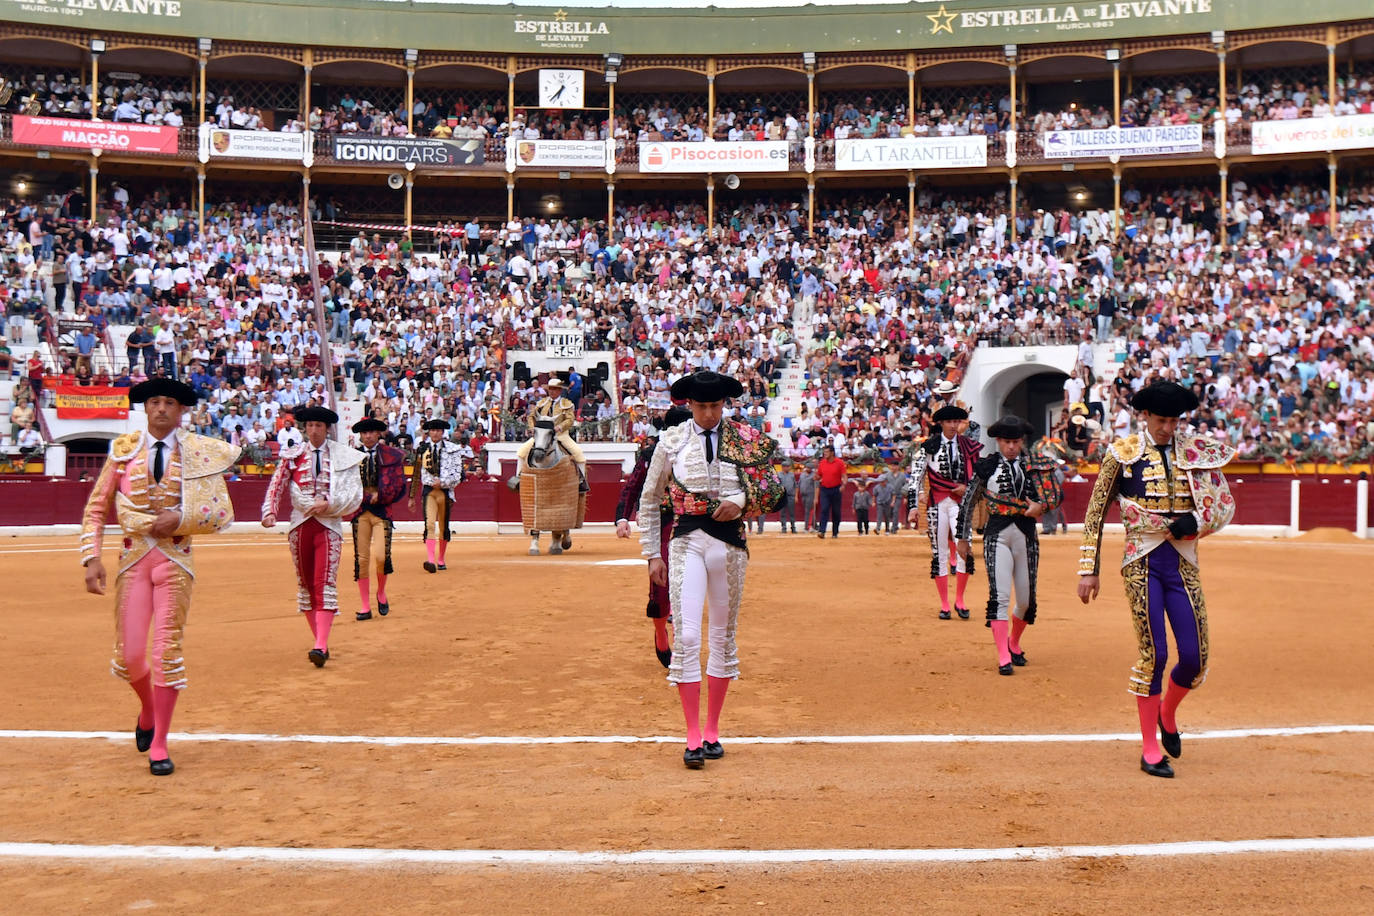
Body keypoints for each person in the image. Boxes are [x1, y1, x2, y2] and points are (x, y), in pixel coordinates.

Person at [80, 378, 240, 776]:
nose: (162, 408)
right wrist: (91, 558)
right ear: (146, 408)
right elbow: (97, 508)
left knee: (166, 653)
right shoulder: (123, 451)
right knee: (130, 656)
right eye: (155, 402)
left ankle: (161, 743)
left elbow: (222, 513)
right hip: (133, 559)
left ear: (182, 410)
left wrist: (182, 518)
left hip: (175, 561)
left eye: (170, 402)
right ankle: (148, 711)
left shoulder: (199, 452)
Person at [1077, 381, 1236, 779]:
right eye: (1161, 419)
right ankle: (1150, 748)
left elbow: (1221, 505)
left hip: (1182, 563)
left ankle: (1168, 713)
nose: (1168, 427)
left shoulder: (1195, 452)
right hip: (1141, 561)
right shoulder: (1122, 454)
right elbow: (1096, 511)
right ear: (1144, 416)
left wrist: (1196, 522)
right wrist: (1088, 568)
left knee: (1196, 658)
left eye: (1174, 420)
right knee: (1155, 655)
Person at [638, 371, 782, 769]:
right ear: (688, 405)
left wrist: (739, 500)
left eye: (715, 406)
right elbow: (650, 501)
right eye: (701, 406)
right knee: (685, 634)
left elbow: (773, 492)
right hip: (685, 541)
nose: (708, 413)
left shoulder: (745, 438)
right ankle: (692, 735)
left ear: (725, 405)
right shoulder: (671, 441)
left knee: (722, 637)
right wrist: (653, 553)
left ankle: (713, 730)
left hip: (730, 544)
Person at [956, 416, 1062, 675]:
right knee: (1000, 596)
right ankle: (1003, 655)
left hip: (1026, 535)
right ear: (998, 441)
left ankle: (1013, 641)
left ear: (1021, 441)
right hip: (997, 535)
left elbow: (1052, 496)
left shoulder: (1035, 467)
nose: (1011, 447)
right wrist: (962, 538)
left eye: (1015, 442)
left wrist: (1042, 506)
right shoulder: (987, 466)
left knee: (1025, 600)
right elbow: (969, 502)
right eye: (1006, 442)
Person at [261, 406, 365, 667]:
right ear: (304, 428)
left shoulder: (343, 456)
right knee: (306, 584)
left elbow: (354, 493)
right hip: (300, 525)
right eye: (310, 426)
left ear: (327, 428)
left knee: (324, 582)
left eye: (319, 426)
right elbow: (277, 483)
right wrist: (270, 511)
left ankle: (320, 644)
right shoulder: (293, 454)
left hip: (329, 526)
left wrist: (327, 504)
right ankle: (321, 641)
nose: (314, 430)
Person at [615, 405, 692, 667]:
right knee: (661, 585)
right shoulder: (651, 454)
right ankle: (661, 633)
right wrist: (622, 517)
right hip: (661, 524)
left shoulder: (699, 454)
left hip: (692, 524)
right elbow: (633, 487)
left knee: (689, 584)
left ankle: (681, 643)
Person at [906, 404, 983, 619]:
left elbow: (978, 478)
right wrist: (914, 506)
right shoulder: (928, 447)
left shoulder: (968, 446)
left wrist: (967, 489)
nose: (953, 425)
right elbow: (915, 479)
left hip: (961, 504)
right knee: (939, 553)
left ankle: (960, 599)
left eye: (956, 422)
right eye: (949, 422)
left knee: (964, 549)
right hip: (937, 504)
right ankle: (944, 604)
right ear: (941, 424)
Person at [349, 417, 408, 621]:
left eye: (371, 432)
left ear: (378, 434)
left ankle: (381, 592)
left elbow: (399, 483)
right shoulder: (352, 456)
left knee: (382, 556)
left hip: (383, 512)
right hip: (360, 512)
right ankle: (365, 606)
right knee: (362, 559)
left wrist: (381, 496)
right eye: (364, 433)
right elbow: (346, 485)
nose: (367, 436)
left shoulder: (391, 455)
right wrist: (366, 497)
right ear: (360, 435)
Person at [408, 418, 464, 573]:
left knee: (443, 526)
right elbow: (416, 474)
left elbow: (458, 475)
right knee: (430, 524)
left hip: (445, 493)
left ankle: (441, 559)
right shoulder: (422, 449)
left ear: (442, 432)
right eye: (432, 430)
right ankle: (431, 560)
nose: (435, 433)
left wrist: (443, 482)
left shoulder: (453, 449)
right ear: (429, 432)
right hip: (429, 492)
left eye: (438, 430)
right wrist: (412, 496)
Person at [516, 376, 586, 483]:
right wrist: (532, 428)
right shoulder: (542, 403)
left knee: (579, 454)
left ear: (559, 390)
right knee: (521, 452)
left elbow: (570, 419)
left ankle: (581, 482)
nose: (552, 391)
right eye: (550, 389)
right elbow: (531, 416)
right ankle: (518, 478)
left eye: (554, 389)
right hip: (542, 435)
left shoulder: (566, 404)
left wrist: (560, 427)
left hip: (561, 435)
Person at [814, 444, 846, 538]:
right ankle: (822, 531)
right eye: (824, 452)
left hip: (836, 489)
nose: (825, 454)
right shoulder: (822, 463)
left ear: (832, 453)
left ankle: (835, 532)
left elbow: (844, 476)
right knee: (824, 509)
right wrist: (816, 477)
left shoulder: (839, 462)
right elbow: (819, 475)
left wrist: (844, 484)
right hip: (824, 489)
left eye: (827, 452)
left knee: (836, 512)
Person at [777, 462, 798, 533]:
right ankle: (784, 527)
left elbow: (795, 485)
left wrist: (796, 496)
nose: (788, 468)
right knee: (782, 513)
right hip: (782, 496)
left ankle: (793, 527)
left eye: (789, 466)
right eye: (787, 466)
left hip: (790, 495)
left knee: (792, 513)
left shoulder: (792, 475)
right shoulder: (779, 475)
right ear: (783, 467)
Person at [797, 464, 817, 532]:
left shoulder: (814, 475)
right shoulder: (802, 475)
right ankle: (814, 526)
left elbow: (817, 486)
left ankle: (807, 527)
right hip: (803, 495)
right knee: (810, 511)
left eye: (809, 468)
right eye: (807, 468)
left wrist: (815, 497)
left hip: (810, 494)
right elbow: (798, 484)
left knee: (808, 511)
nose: (808, 469)